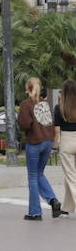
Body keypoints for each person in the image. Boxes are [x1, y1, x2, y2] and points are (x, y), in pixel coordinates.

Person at [17, 76, 64, 220]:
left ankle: (35, 212)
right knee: (39, 173)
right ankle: (52, 200)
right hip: (47, 142)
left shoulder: (26, 104)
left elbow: (24, 124)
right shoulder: (45, 103)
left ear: (27, 88)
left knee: (32, 176)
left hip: (35, 142)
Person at [55, 80, 76, 214]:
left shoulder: (59, 108)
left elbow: (57, 131)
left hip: (66, 140)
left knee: (71, 176)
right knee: (71, 176)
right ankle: (67, 207)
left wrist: (55, 145)